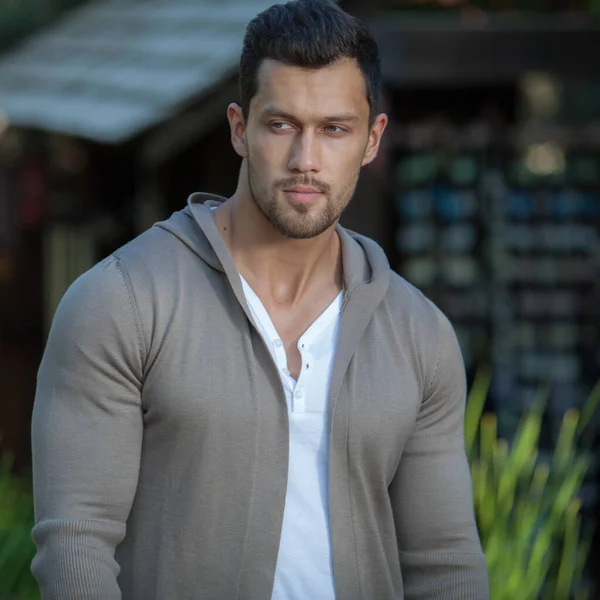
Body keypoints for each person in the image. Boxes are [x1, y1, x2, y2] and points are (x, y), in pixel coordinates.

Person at [30, 0, 489, 598]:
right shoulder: (123, 302)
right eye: (281, 125)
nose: (306, 161)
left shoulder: (418, 334)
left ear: (372, 139)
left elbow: (445, 564)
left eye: (334, 129)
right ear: (239, 128)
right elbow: (76, 544)